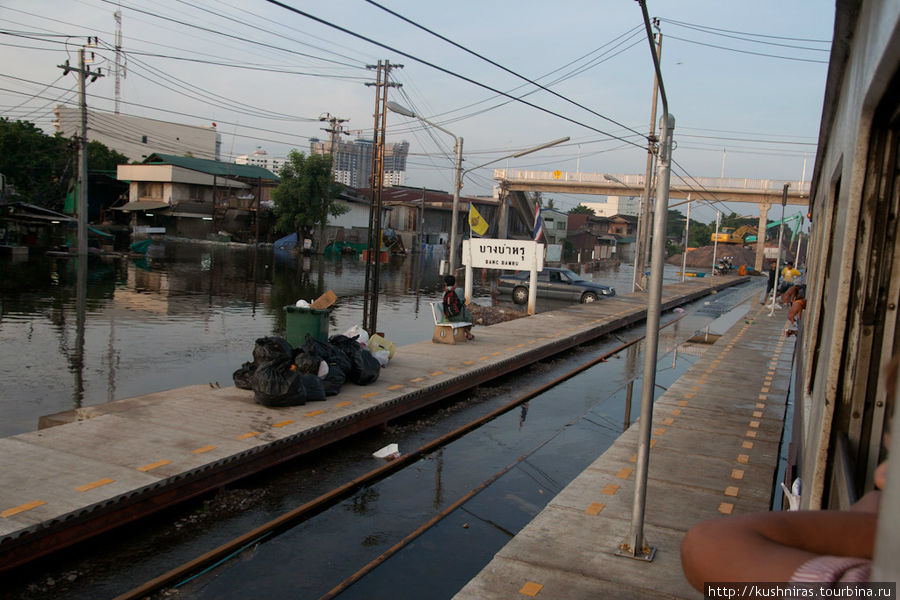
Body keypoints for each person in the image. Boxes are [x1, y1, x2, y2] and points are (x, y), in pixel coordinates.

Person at [443, 275, 474, 340]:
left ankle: (468, 334)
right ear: (454, 282)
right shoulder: (460, 290)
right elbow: (464, 301)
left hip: (449, 317)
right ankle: (468, 333)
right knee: (469, 318)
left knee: (462, 319)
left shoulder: (444, 293)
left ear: (445, 283)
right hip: (460, 317)